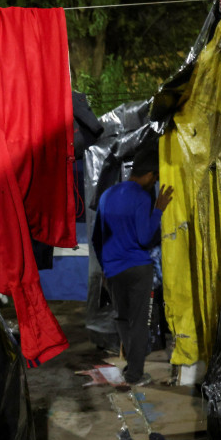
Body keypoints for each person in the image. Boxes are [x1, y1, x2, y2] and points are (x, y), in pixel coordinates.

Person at [96, 145, 174, 386]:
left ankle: (132, 367)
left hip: (113, 269)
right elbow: (143, 237)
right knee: (139, 322)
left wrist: (106, 266)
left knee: (122, 319)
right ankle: (134, 375)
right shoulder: (142, 197)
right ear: (150, 175)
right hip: (138, 269)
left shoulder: (107, 195)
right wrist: (159, 210)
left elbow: (97, 237)